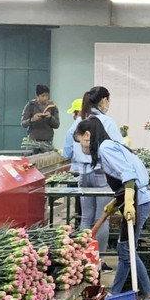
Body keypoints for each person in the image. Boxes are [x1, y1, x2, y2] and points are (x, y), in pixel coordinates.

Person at [74, 116, 150, 300]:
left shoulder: (106, 148)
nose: (82, 147)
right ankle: (116, 293)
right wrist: (116, 202)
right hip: (136, 198)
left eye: (80, 142)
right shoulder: (107, 147)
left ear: (87, 135)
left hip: (137, 200)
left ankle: (149, 294)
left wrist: (127, 201)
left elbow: (128, 176)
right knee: (124, 249)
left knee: (127, 250)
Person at [64, 88, 119, 254]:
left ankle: (83, 259)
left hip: (83, 174)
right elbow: (119, 148)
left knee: (86, 218)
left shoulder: (78, 122)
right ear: (103, 100)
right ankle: (98, 261)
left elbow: (67, 151)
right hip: (102, 175)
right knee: (101, 219)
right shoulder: (106, 122)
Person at [21, 84, 60, 154]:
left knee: (47, 162)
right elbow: (23, 123)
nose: (45, 98)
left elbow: (57, 125)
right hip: (32, 141)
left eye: (47, 95)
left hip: (47, 141)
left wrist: (50, 117)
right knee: (30, 161)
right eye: (43, 96)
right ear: (38, 96)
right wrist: (32, 119)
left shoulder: (52, 107)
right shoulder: (30, 106)